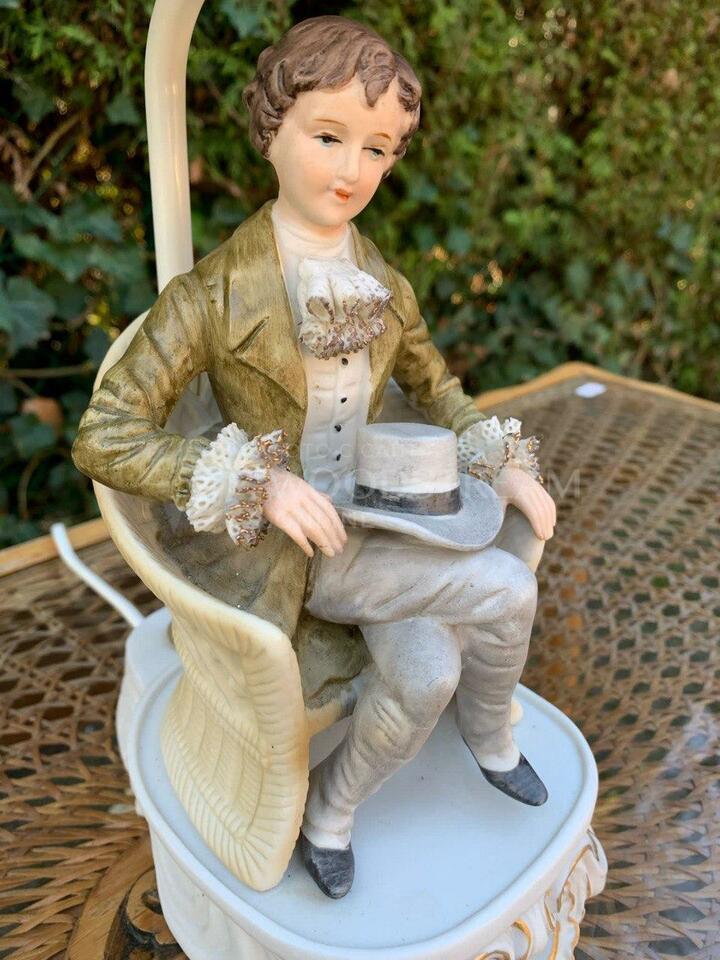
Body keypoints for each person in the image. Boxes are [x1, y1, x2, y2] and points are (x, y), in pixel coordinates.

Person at [72, 16, 556, 898]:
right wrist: (257, 481)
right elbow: (104, 432)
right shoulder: (212, 295)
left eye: (377, 149)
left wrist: (500, 459)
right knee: (507, 588)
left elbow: (437, 388)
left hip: (385, 522)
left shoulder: (383, 285)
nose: (351, 171)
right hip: (296, 550)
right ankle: (491, 737)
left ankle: (330, 813)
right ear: (272, 129)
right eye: (329, 137)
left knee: (427, 673)